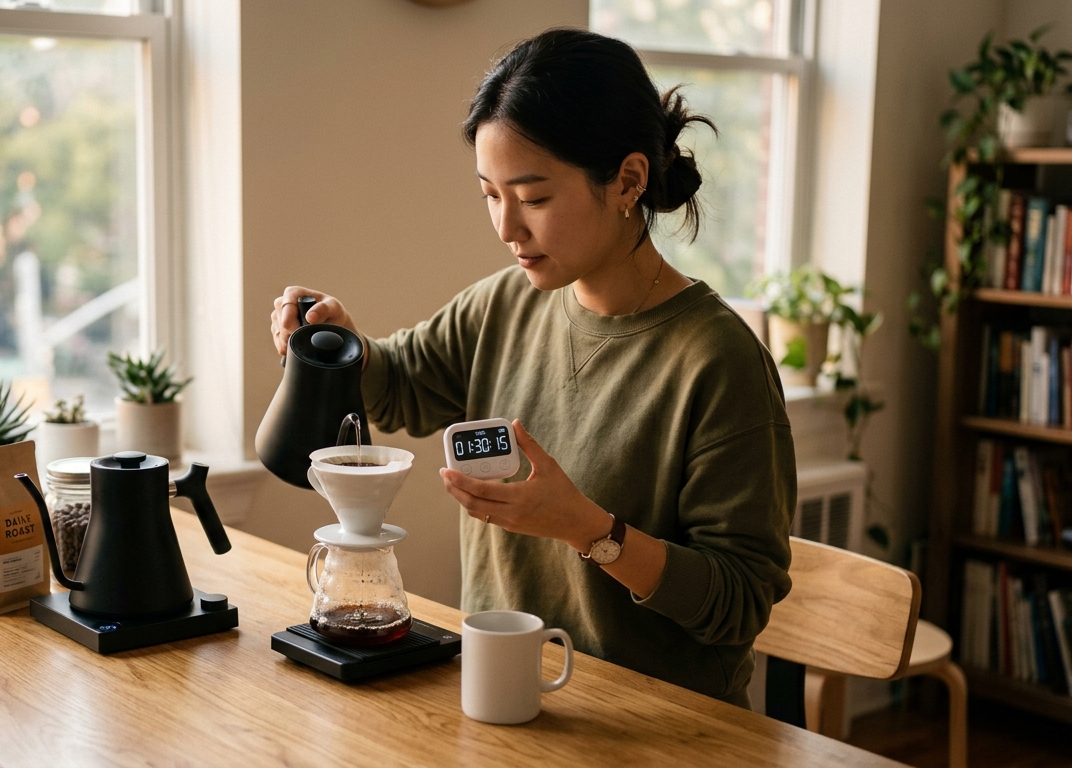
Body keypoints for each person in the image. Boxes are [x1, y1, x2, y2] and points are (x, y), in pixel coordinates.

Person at [269, 28, 795, 708]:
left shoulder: (719, 361)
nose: (506, 228)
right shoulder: (503, 306)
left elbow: (741, 601)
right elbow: (402, 385)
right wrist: (347, 345)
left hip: (657, 726)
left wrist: (588, 529)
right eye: (491, 194)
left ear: (628, 180)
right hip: (503, 698)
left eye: (534, 198)